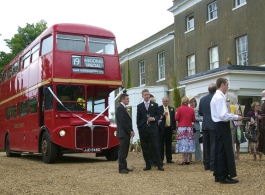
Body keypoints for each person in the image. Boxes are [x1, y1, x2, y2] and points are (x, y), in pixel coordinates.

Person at [210, 78, 242, 184]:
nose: (228, 87)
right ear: (222, 84)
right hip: (222, 125)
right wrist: (236, 117)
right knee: (224, 150)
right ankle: (223, 176)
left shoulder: (217, 96)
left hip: (217, 125)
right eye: (227, 85)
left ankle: (218, 174)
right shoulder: (219, 97)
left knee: (219, 150)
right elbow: (223, 115)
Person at [136, 89, 164, 171]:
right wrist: (142, 126)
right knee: (145, 148)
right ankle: (148, 164)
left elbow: (158, 115)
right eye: (145, 94)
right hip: (143, 130)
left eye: (148, 94)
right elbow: (138, 119)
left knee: (155, 146)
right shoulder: (139, 106)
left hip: (153, 129)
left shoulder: (155, 105)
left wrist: (154, 118)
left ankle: (159, 164)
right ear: (142, 96)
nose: (147, 96)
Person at [198, 83, 217, 171]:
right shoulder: (216, 98)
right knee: (213, 144)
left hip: (205, 124)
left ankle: (206, 164)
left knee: (206, 145)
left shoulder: (202, 99)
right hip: (213, 124)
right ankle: (213, 164)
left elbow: (200, 113)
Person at [115, 93, 135, 174]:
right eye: (127, 99)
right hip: (123, 133)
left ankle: (124, 166)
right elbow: (123, 121)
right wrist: (129, 131)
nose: (128, 100)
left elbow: (127, 121)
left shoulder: (123, 108)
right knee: (122, 151)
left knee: (125, 151)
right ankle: (121, 168)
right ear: (122, 99)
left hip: (126, 133)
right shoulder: (120, 108)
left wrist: (131, 130)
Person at [174, 96, 195, 165]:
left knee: (183, 142)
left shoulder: (179, 109)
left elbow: (176, 118)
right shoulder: (192, 110)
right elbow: (193, 119)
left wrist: (176, 114)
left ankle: (183, 159)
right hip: (189, 127)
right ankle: (188, 159)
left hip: (182, 127)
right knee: (189, 141)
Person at [158, 97, 176, 163]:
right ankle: (161, 159)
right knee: (161, 144)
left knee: (169, 144)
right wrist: (162, 115)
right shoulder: (159, 108)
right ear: (162, 101)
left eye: (166, 101)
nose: (165, 102)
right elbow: (158, 118)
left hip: (169, 128)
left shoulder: (171, 109)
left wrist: (174, 128)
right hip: (162, 129)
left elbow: (173, 119)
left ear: (168, 102)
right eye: (164, 101)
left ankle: (169, 158)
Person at [189, 97, 202, 162]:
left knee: (197, 143)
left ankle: (198, 158)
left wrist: (195, 118)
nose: (191, 103)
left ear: (195, 102)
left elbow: (202, 118)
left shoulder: (198, 110)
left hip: (196, 128)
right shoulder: (187, 109)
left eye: (193, 102)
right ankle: (189, 158)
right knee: (189, 143)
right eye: (190, 102)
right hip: (188, 128)